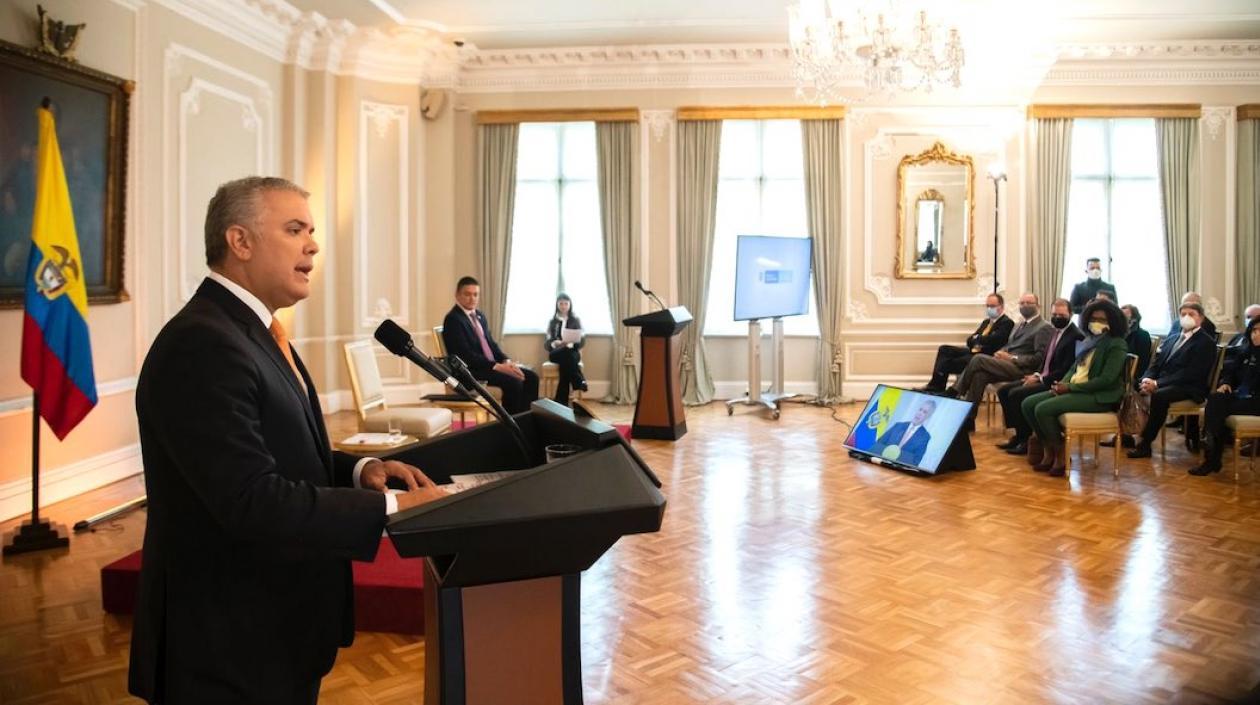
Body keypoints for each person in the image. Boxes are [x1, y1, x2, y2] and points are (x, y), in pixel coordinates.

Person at [129, 177, 446, 705]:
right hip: (227, 646)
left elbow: (280, 445)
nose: (314, 245)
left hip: (275, 630)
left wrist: (358, 469)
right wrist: (393, 506)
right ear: (241, 242)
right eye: (295, 229)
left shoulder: (254, 330)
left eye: (312, 230)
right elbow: (248, 498)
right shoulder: (203, 343)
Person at [1020, 300, 1130, 477]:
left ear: (1113, 321)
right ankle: (1048, 449)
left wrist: (1070, 388)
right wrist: (1060, 384)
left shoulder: (1116, 344)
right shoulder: (1090, 340)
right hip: (1076, 389)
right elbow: (1074, 368)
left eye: (1102, 319)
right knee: (1028, 404)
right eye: (1093, 318)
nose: (1097, 322)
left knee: (1043, 409)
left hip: (1099, 396)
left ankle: (1060, 454)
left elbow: (1106, 380)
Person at [945, 294, 1054, 428]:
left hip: (1023, 369)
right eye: (1022, 303)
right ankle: (968, 419)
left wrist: (1012, 358)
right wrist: (1000, 352)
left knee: (978, 358)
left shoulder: (1044, 327)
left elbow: (1038, 358)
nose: (1025, 306)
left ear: (1038, 306)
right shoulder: (1019, 324)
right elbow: (1010, 345)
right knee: (980, 375)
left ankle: (954, 391)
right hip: (1006, 364)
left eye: (1029, 303)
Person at [1127, 302, 1218, 459]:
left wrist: (1157, 384)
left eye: (1191, 314)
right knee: (1131, 383)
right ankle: (1128, 434)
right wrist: (1147, 379)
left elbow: (1191, 373)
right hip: (1166, 383)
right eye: (1183, 314)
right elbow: (1156, 363)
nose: (1186, 317)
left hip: (1190, 387)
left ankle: (1145, 443)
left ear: (1201, 318)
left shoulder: (1206, 342)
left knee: (1160, 395)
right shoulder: (1173, 338)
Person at [996, 298, 1083, 455]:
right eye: (1054, 314)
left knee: (1016, 394)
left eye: (1061, 315)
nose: (1057, 317)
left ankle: (1026, 440)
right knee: (1003, 391)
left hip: (1056, 382)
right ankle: (1019, 434)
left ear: (1070, 314)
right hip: (1042, 375)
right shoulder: (1053, 331)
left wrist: (1041, 379)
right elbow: (1046, 360)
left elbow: (1065, 369)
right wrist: (1036, 375)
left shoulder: (1075, 336)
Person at [443, 276, 540, 414]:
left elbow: (491, 345)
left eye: (475, 294)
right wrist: (498, 366)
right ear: (457, 295)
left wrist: (506, 361)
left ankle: (526, 422)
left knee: (532, 377)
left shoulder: (479, 316)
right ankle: (510, 427)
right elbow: (465, 355)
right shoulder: (453, 319)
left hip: (488, 366)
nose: (472, 298)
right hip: (470, 371)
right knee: (514, 382)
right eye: (467, 294)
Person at [1189, 316, 1260, 476]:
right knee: (1215, 399)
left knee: (1217, 408)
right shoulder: (1246, 351)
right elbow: (1230, 372)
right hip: (1241, 396)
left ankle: (1212, 456)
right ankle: (1212, 454)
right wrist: (1225, 383)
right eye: (1254, 330)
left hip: (1256, 400)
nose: (1256, 334)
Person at [921, 293, 1014, 392]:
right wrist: (979, 339)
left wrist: (978, 339)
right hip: (973, 351)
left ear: (1001, 307)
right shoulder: (986, 322)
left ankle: (938, 387)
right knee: (944, 349)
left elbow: (995, 341)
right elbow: (969, 340)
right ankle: (936, 385)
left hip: (985, 356)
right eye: (987, 306)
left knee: (946, 363)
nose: (989, 309)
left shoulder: (1007, 323)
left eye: (992, 306)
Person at [544, 293, 587, 405]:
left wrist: (571, 343)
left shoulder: (576, 320)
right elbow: (547, 343)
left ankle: (561, 402)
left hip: (572, 351)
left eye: (566, 304)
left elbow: (582, 341)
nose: (563, 306)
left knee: (566, 362)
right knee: (567, 356)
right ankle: (578, 380)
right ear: (557, 305)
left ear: (570, 305)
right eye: (561, 303)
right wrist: (555, 343)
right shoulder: (552, 322)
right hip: (556, 353)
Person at [871, 400, 935, 467]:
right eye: (920, 409)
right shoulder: (898, 425)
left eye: (924, 412)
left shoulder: (925, 436)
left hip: (898, 469)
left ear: (928, 416)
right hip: (879, 462)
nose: (920, 413)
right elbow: (878, 444)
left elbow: (915, 461)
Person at [1223, 303, 1260, 376]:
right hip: (1230, 371)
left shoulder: (1254, 340)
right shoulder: (1238, 336)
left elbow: (1243, 350)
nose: (1249, 320)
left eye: (1252, 317)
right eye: (1247, 317)